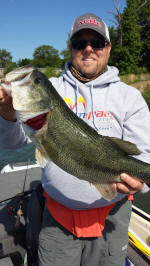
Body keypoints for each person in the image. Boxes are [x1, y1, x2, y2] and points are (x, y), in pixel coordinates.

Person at [0, 13, 150, 266]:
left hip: (112, 217)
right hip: (57, 218)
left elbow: (144, 157)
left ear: (108, 48)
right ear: (70, 48)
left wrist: (141, 184)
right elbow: (14, 144)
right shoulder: (53, 88)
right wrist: (6, 114)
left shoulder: (130, 97)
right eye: (80, 43)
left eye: (97, 43)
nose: (88, 49)